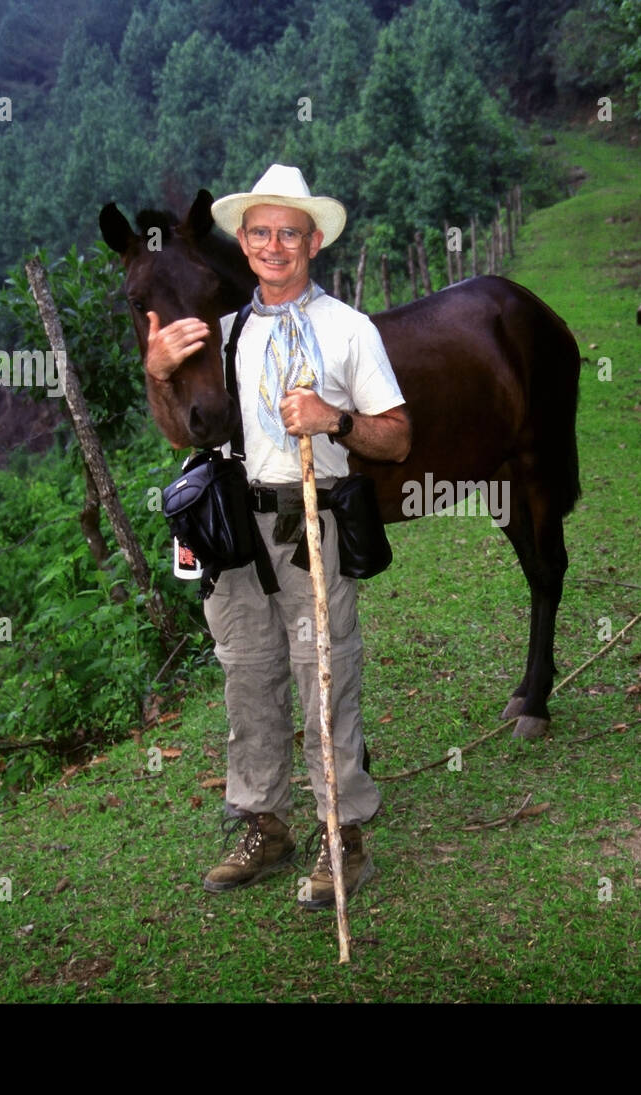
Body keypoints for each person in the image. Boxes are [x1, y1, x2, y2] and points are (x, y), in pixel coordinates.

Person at [145, 164, 411, 908]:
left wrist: (335, 420)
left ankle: (341, 835)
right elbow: (179, 434)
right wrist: (156, 373)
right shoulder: (220, 333)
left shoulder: (349, 329)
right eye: (259, 232)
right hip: (234, 531)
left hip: (308, 519)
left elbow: (396, 438)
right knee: (247, 676)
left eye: (287, 232)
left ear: (313, 239)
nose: (272, 245)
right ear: (243, 241)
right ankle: (266, 823)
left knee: (324, 673)